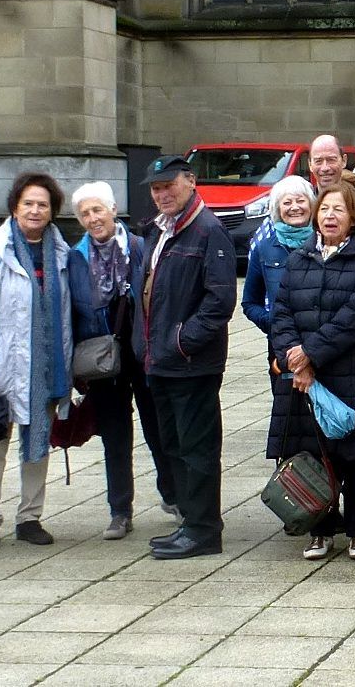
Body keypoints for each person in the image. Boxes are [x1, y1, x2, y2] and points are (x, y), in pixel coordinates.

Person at [269, 181, 355, 561]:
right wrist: (293, 358)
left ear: (354, 219)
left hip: (349, 373)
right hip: (303, 378)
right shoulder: (297, 259)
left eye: (339, 210)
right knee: (311, 453)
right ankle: (319, 529)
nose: (330, 216)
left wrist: (309, 356)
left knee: (354, 456)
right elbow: (281, 313)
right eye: (325, 209)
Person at [0, 173, 73, 551]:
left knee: (38, 442)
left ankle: (30, 517)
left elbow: (66, 316)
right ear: (15, 206)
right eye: (28, 203)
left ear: (52, 212)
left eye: (43, 204)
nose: (35, 210)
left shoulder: (61, 253)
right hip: (1, 368)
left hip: (45, 367)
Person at [137, 154, 237, 559]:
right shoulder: (161, 230)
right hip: (161, 362)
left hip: (191, 364)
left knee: (197, 449)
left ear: (190, 181)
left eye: (169, 185)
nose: (162, 193)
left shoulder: (208, 231)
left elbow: (219, 301)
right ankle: (190, 522)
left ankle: (203, 530)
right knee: (174, 447)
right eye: (156, 188)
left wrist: (181, 341)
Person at [69, 181, 175, 541]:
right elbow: (70, 312)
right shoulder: (75, 257)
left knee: (157, 429)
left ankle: (172, 494)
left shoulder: (141, 247)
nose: (93, 218)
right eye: (85, 213)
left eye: (98, 210)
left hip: (142, 352)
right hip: (101, 357)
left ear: (113, 210)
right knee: (114, 436)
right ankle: (120, 511)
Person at [242, 175, 317, 337]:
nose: (295, 207)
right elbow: (250, 302)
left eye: (301, 201)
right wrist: (272, 323)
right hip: (280, 344)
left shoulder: (324, 243)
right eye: (287, 202)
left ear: (312, 205)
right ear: (277, 209)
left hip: (321, 343)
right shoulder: (264, 248)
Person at [309, 135, 355, 249]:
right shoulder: (304, 206)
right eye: (318, 161)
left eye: (331, 160)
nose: (325, 168)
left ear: (344, 161)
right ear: (310, 164)